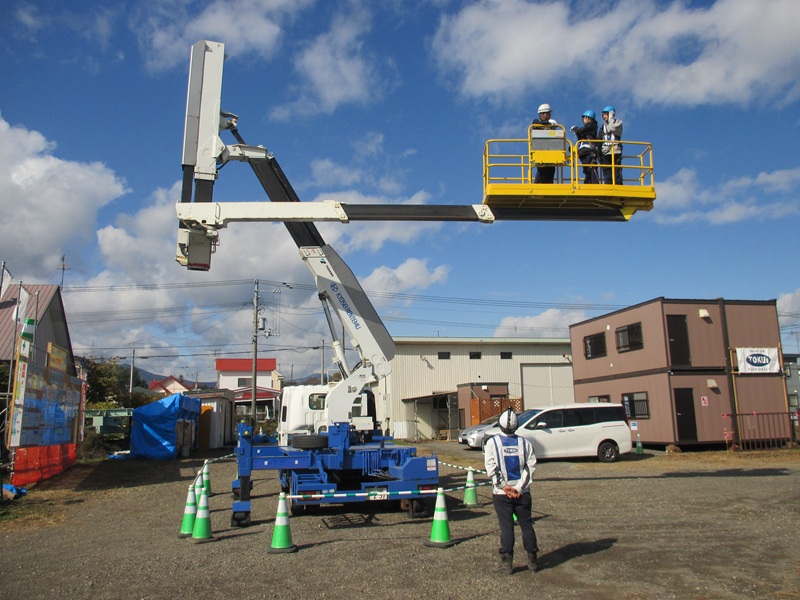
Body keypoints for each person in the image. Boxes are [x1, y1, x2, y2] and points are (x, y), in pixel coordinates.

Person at [484, 408, 540, 575]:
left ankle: (507, 563)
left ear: (500, 426)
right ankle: (533, 561)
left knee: (506, 527)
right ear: (516, 426)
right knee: (527, 525)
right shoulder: (525, 443)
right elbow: (530, 467)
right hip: (523, 493)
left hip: (502, 494)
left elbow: (491, 468)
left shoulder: (492, 444)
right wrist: (519, 488)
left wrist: (504, 487)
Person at [570, 110, 600, 184]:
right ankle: (588, 182)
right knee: (586, 169)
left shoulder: (592, 126)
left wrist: (576, 129)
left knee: (592, 166)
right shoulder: (587, 129)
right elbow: (580, 137)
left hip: (589, 151)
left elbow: (583, 130)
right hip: (583, 152)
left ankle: (594, 183)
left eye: (584, 118)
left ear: (587, 118)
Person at [531, 103, 558, 183]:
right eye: (548, 113)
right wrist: (548, 123)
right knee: (542, 171)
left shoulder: (551, 126)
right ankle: (537, 187)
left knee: (551, 170)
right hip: (541, 151)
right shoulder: (536, 122)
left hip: (551, 152)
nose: (549, 115)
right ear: (544, 114)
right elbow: (536, 126)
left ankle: (549, 186)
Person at [599, 105, 623, 184]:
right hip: (606, 151)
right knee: (606, 171)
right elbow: (599, 139)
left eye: (606, 114)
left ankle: (618, 185)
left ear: (611, 114)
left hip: (615, 150)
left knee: (617, 171)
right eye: (603, 115)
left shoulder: (618, 122)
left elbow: (612, 128)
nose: (604, 116)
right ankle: (608, 184)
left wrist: (611, 119)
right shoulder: (603, 127)